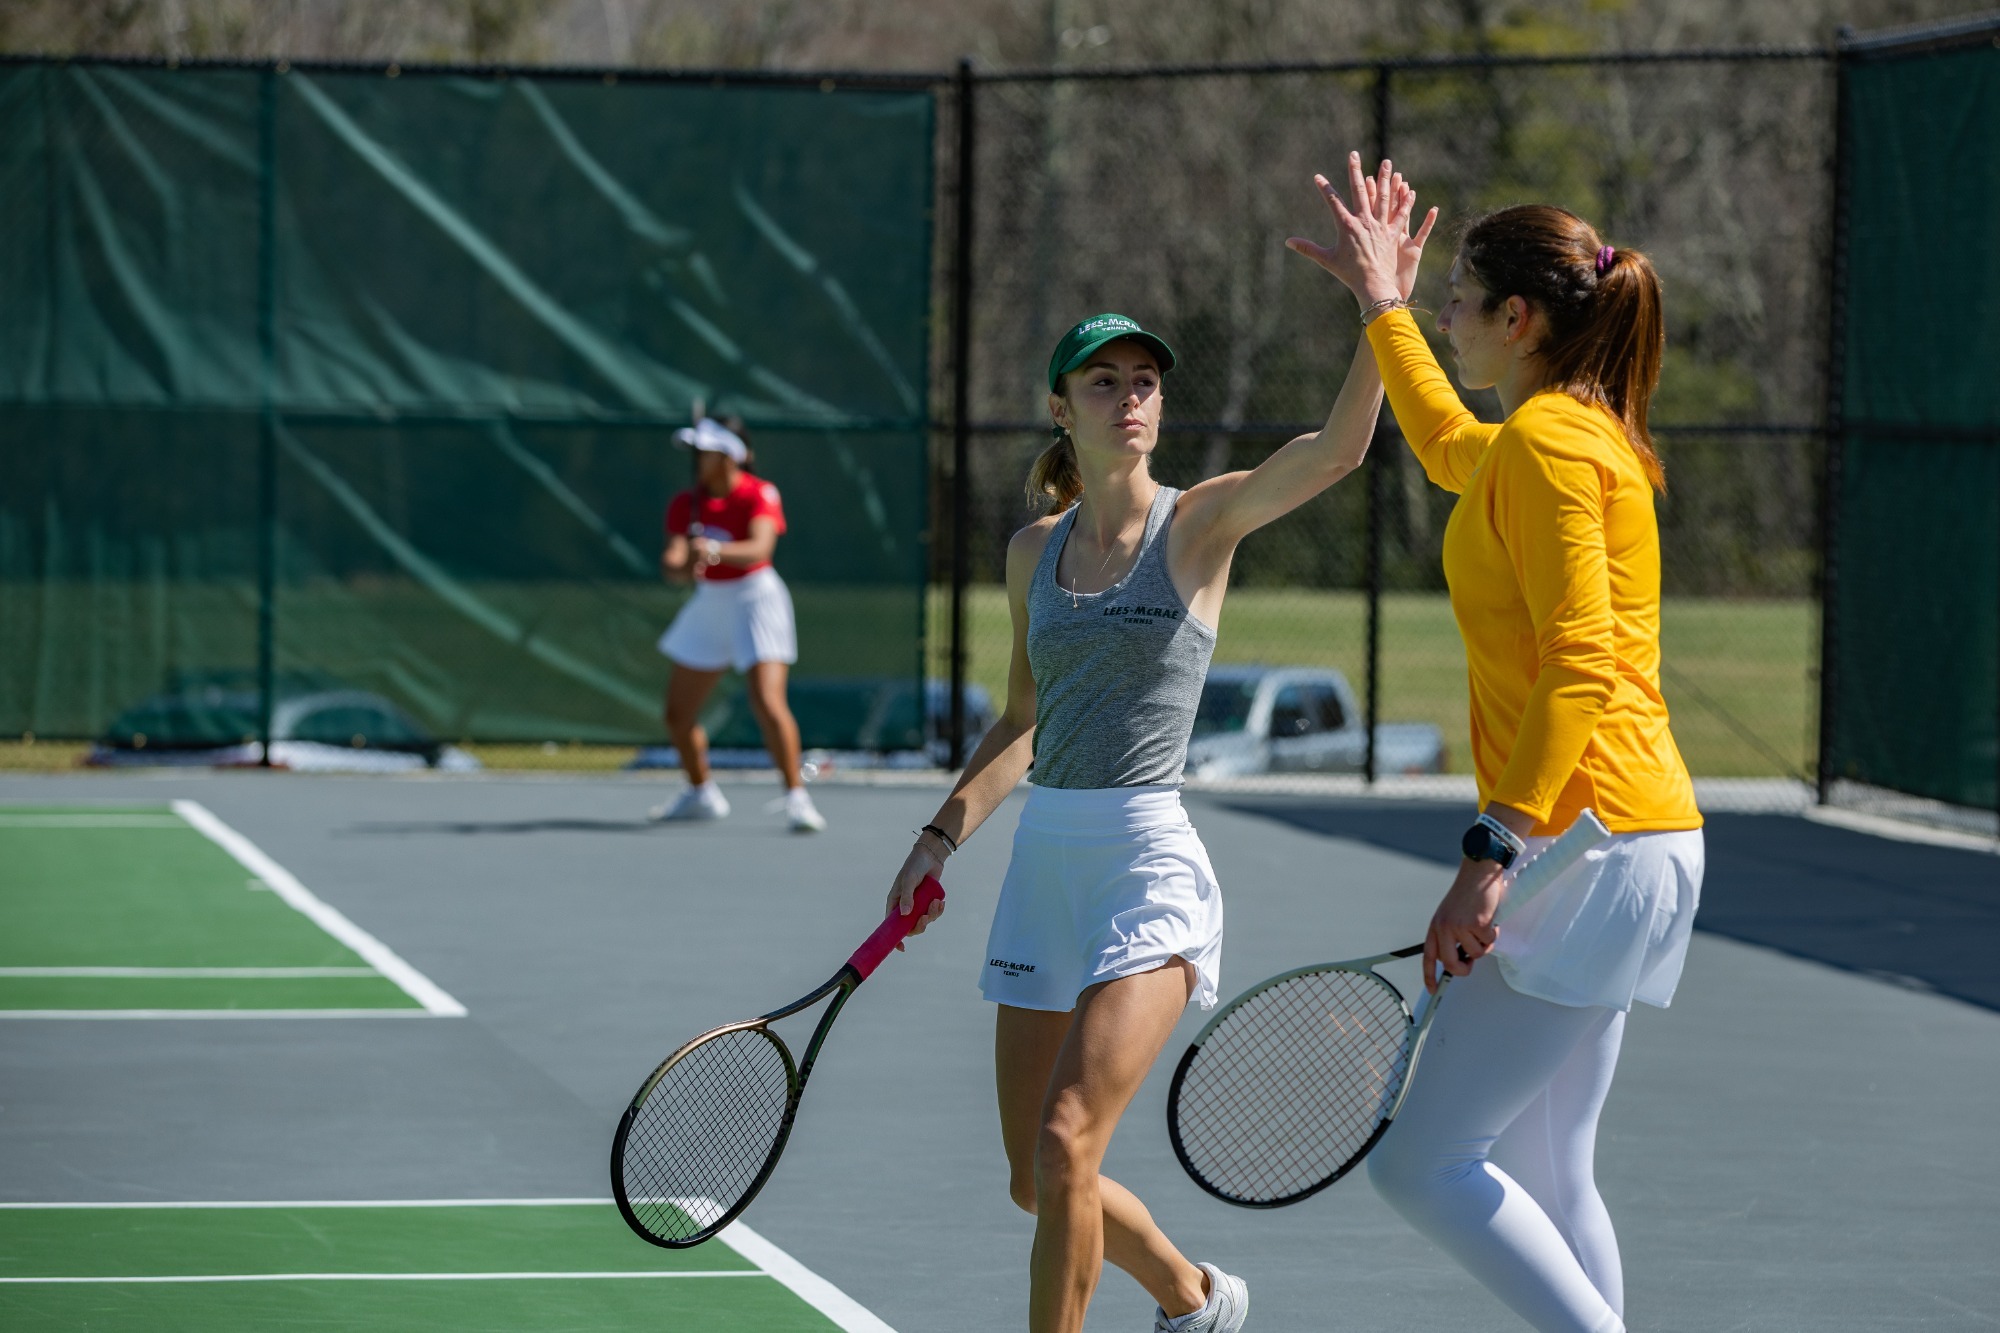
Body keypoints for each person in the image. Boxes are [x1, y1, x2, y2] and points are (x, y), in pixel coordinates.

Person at [883, 163, 1433, 1333]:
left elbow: (1334, 452)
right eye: (1105, 380)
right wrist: (937, 839)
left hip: (1146, 864)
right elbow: (1020, 720)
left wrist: (1377, 307)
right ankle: (1193, 1297)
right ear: (1060, 408)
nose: (1130, 398)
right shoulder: (1032, 552)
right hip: (1043, 864)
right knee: (1037, 1177)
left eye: (1143, 383)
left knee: (1071, 1136)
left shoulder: (1201, 522)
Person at [1290, 152, 1705, 1332]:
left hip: (1586, 843)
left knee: (1417, 1164)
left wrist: (1490, 851)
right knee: (1546, 1167)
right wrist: (1377, 305)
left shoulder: (1552, 449)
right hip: (1630, 838)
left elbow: (1579, 659)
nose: (1447, 319)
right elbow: (1439, 442)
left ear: (1516, 319)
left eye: (1456, 302)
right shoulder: (1553, 441)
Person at [652, 415, 825, 833]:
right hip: (709, 603)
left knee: (767, 702)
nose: (697, 458)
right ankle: (701, 793)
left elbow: (760, 548)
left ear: (730, 455)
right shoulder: (685, 502)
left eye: (706, 450)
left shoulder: (760, 493)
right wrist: (686, 561)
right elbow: (673, 564)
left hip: (756, 599)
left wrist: (712, 549)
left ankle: (797, 799)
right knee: (677, 715)